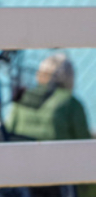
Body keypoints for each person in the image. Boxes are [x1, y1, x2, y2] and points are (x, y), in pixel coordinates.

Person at [8, 52, 94, 197]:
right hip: (60, 179)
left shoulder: (24, 99)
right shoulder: (71, 102)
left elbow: (8, 131)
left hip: (22, 172)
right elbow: (86, 148)